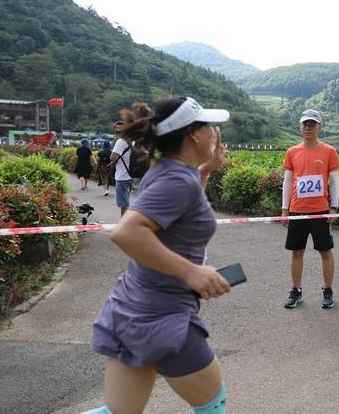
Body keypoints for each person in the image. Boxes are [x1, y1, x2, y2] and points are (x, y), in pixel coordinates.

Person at [83, 97, 231, 414]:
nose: (214, 133)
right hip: (164, 316)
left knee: (119, 412)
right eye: (208, 126)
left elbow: (181, 213)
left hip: (133, 309)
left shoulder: (171, 170)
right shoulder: (178, 179)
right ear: (193, 134)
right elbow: (127, 231)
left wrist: (206, 170)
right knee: (212, 403)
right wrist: (191, 272)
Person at [281, 109, 339, 309]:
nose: (308, 128)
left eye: (312, 124)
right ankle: (296, 290)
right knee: (297, 252)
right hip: (297, 210)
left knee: (325, 252)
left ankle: (328, 290)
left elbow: (334, 181)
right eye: (305, 124)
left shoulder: (329, 151)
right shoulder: (292, 151)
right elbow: (288, 181)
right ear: (300, 127)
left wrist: (334, 207)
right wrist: (284, 209)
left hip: (321, 211)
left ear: (319, 127)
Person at [110, 121, 133, 217]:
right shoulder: (131, 141)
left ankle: (125, 225)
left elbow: (112, 157)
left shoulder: (121, 141)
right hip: (130, 174)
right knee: (126, 201)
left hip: (122, 176)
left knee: (124, 204)